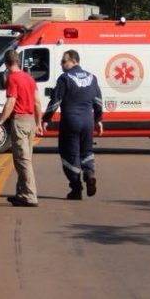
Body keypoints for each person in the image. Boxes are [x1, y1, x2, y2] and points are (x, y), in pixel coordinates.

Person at [42, 49, 103, 200]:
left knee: (69, 154)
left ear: (74, 61)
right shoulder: (92, 78)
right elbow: (98, 101)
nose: (61, 64)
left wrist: (45, 119)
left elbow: (55, 101)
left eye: (64, 61)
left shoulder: (65, 78)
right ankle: (89, 174)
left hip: (70, 122)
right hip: (87, 121)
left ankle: (76, 188)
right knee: (86, 150)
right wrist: (99, 120)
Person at [0, 49, 41, 207]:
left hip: (19, 120)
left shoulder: (12, 78)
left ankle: (30, 195)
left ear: (6, 64)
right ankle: (21, 193)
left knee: (23, 160)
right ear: (18, 61)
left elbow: (11, 102)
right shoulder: (29, 78)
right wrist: (38, 123)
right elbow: (37, 102)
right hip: (31, 120)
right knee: (24, 158)